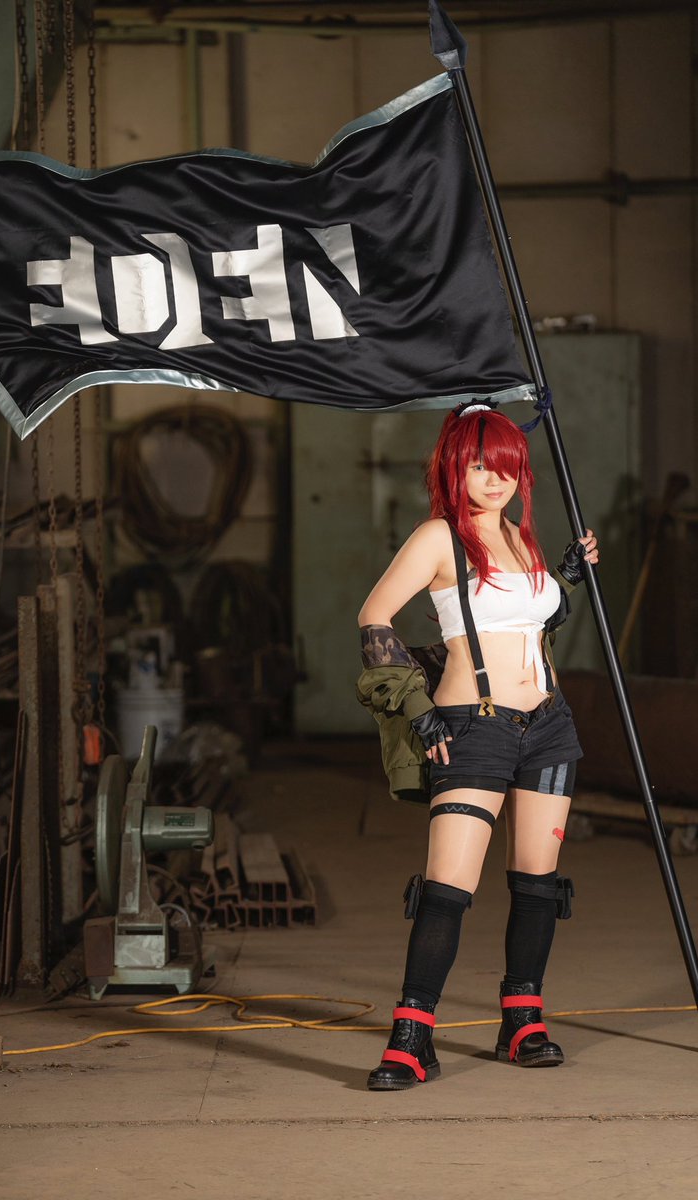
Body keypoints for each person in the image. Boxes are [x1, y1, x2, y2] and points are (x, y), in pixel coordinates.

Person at [357, 401, 599, 1090]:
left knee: (537, 885)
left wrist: (564, 579)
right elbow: (374, 616)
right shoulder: (439, 537)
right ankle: (412, 1038)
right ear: (453, 468)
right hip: (473, 724)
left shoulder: (522, 538)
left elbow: (531, 622)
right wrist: (418, 709)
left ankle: (522, 1021)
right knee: (445, 889)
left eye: (506, 468)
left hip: (548, 726)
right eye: (479, 467)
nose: (494, 481)